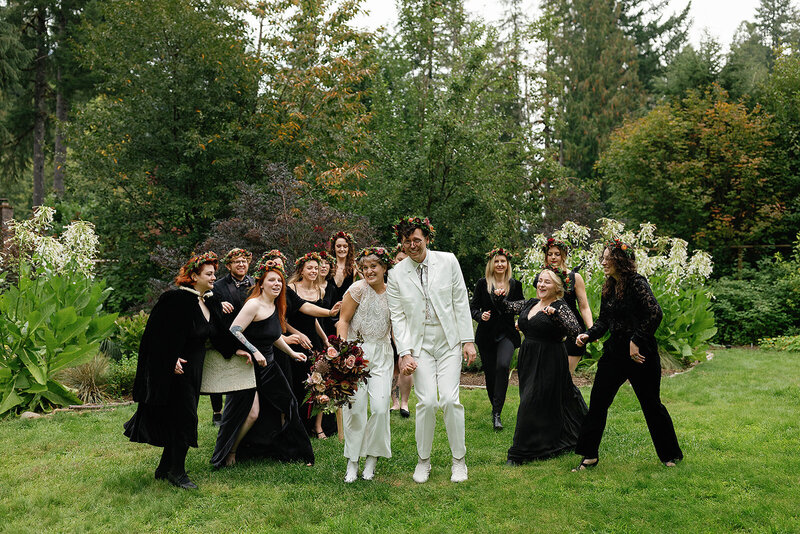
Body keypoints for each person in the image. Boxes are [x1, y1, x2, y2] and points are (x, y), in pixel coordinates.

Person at [573, 240, 683, 471]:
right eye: (602, 258)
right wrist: (588, 335)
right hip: (614, 353)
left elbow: (655, 313)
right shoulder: (609, 286)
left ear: (620, 261)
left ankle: (669, 454)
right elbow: (604, 321)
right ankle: (589, 455)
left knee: (651, 404)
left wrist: (636, 340)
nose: (602, 262)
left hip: (640, 355)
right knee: (598, 403)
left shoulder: (636, 282)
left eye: (607, 258)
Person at [386, 216, 476, 483]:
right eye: (407, 241)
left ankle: (458, 460)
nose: (412, 245)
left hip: (448, 340)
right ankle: (423, 460)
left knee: (449, 400)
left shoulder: (448, 261)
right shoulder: (395, 274)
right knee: (425, 401)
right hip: (419, 344)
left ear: (427, 239)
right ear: (401, 243)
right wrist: (405, 352)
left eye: (417, 240)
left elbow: (460, 299)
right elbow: (398, 317)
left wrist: (467, 339)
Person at [123, 252, 222, 489]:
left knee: (181, 418)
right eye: (209, 274)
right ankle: (177, 472)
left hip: (194, 370)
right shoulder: (175, 300)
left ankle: (165, 468)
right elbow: (155, 336)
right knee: (185, 418)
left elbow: (218, 334)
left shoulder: (207, 301)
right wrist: (169, 359)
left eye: (214, 274)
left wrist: (239, 350)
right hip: (178, 371)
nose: (214, 278)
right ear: (194, 276)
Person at [211, 256, 314, 468]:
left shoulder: (275, 305)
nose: (276, 284)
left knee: (289, 403)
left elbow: (274, 336)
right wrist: (254, 350)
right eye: (271, 280)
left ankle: (295, 452)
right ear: (261, 283)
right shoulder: (253, 305)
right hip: (249, 367)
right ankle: (231, 451)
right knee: (252, 413)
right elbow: (234, 330)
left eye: (279, 281)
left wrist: (292, 353)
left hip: (269, 366)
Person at [495, 267, 588, 464]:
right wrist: (499, 299)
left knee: (530, 401)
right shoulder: (532, 303)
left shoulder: (560, 306)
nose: (541, 284)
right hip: (528, 359)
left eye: (547, 282)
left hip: (550, 359)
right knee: (544, 400)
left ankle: (520, 452)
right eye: (540, 281)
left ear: (557, 287)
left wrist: (555, 317)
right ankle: (560, 435)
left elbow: (575, 331)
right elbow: (508, 308)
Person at [338, 246, 396, 482]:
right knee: (356, 409)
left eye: (374, 266)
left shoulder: (395, 292)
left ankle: (372, 459)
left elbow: (397, 327)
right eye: (365, 267)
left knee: (381, 408)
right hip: (356, 352)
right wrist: (343, 352)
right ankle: (352, 462)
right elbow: (342, 320)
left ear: (384, 268)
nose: (369, 271)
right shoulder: (357, 289)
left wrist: (405, 353)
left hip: (382, 353)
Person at [470, 247, 524, 431]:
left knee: (502, 366)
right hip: (486, 335)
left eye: (503, 261)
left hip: (507, 334)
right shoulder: (482, 283)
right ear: (491, 264)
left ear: (507, 264)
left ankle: (497, 413)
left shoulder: (514, 284)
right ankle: (495, 406)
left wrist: (519, 320)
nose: (500, 264)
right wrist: (480, 315)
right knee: (490, 374)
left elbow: (521, 306)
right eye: (497, 261)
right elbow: (473, 307)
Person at [287, 252, 335, 439]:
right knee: (299, 383)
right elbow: (284, 318)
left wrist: (324, 339)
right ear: (301, 270)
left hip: (313, 340)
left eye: (316, 268)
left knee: (319, 382)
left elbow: (313, 317)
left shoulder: (320, 291)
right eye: (310, 268)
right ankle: (300, 425)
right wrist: (297, 334)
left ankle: (318, 426)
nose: (314, 271)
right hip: (295, 339)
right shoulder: (291, 288)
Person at [209, 248, 255, 426]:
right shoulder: (219, 285)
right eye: (237, 262)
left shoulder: (254, 282)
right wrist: (218, 303)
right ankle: (218, 412)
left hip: (250, 334)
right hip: (227, 334)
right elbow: (206, 299)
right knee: (222, 373)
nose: (241, 264)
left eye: (244, 261)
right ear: (229, 266)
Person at [535, 237, 594, 374]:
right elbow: (539, 303)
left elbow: (584, 306)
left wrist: (591, 330)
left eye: (557, 254)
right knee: (549, 376)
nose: (553, 257)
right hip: (549, 330)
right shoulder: (541, 278)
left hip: (572, 330)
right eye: (550, 254)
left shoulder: (574, 277)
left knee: (565, 378)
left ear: (564, 256)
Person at [390, 245, 413, 418]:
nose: (402, 263)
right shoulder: (390, 277)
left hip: (409, 328)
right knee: (393, 368)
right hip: (389, 326)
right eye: (399, 259)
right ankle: (395, 402)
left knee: (403, 362)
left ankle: (404, 402)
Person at [330, 231, 357, 302]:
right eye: (338, 246)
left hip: (346, 308)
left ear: (349, 248)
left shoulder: (354, 267)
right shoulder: (327, 266)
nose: (342, 249)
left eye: (345, 246)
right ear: (334, 248)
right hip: (327, 310)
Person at [317, 251, 338, 338]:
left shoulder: (331, 288)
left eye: (327, 263)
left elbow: (334, 317)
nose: (324, 266)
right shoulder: (308, 285)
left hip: (327, 330)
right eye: (320, 263)